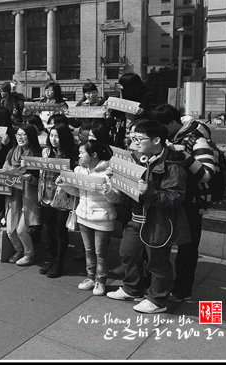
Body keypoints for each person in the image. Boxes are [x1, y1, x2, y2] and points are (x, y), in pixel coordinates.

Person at [106, 120, 190, 314]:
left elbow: (175, 197)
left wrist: (149, 193)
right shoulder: (135, 158)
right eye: (133, 138)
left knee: (157, 262)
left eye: (139, 139)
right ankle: (132, 288)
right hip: (135, 217)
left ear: (156, 140)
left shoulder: (172, 164)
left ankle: (158, 299)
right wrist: (115, 177)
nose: (135, 143)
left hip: (159, 221)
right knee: (128, 253)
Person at [151, 105, 221, 303]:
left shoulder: (196, 140)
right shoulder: (173, 138)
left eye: (162, 126)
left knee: (187, 248)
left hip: (192, 202)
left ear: (173, 123)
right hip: (176, 199)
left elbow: (207, 174)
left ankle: (183, 289)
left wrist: (185, 155)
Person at [56, 140, 123, 296]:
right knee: (88, 250)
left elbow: (116, 199)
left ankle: (101, 281)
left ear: (93, 155)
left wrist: (106, 190)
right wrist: (64, 185)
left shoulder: (108, 172)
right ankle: (90, 277)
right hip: (83, 216)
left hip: (103, 219)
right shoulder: (80, 170)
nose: (79, 155)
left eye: (82, 152)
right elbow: (77, 193)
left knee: (100, 252)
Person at [36, 123, 79, 278]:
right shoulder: (46, 152)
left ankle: (59, 263)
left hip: (62, 197)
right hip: (46, 195)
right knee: (48, 229)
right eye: (51, 135)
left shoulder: (72, 155)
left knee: (60, 230)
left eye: (57, 136)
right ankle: (50, 258)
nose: (53, 139)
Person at [3, 124, 41, 266]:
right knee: (10, 230)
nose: (20, 137)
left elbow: (40, 180)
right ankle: (18, 250)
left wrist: (30, 178)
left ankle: (28, 254)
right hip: (13, 196)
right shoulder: (12, 152)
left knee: (21, 230)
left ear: (31, 137)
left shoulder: (36, 155)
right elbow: (4, 170)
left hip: (28, 197)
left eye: (23, 135)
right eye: (18, 134)